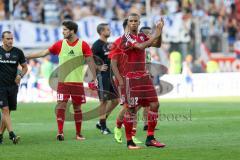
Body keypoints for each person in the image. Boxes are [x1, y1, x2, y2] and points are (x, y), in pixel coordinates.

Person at [26, 20, 98, 141]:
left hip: (77, 83)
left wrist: (94, 79)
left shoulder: (83, 45)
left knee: (77, 108)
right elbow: (44, 53)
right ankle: (60, 132)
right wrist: (27, 56)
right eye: (63, 29)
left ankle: (78, 134)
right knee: (61, 105)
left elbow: (91, 62)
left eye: (65, 30)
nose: (63, 32)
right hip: (63, 82)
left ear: (72, 31)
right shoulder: (59, 44)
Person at [110, 13, 165, 149]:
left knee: (154, 104)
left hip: (144, 76)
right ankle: (129, 142)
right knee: (132, 109)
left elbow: (156, 44)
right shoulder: (125, 38)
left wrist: (160, 31)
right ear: (128, 23)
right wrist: (156, 33)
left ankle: (150, 138)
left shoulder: (141, 36)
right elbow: (140, 47)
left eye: (136, 21)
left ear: (139, 23)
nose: (133, 23)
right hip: (130, 78)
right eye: (131, 21)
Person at [0, 31, 28, 144]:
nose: (10, 40)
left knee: (7, 112)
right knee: (5, 110)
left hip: (13, 87)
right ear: (3, 39)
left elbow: (25, 67)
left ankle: (0, 135)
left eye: (11, 38)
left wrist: (20, 75)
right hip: (0, 86)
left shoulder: (18, 52)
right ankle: (12, 135)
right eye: (8, 38)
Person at [91, 23, 119, 134]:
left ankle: (101, 122)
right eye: (107, 29)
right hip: (102, 76)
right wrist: (98, 67)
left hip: (110, 76)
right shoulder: (97, 45)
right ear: (102, 32)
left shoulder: (108, 45)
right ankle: (103, 127)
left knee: (116, 100)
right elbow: (89, 59)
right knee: (103, 101)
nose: (109, 31)